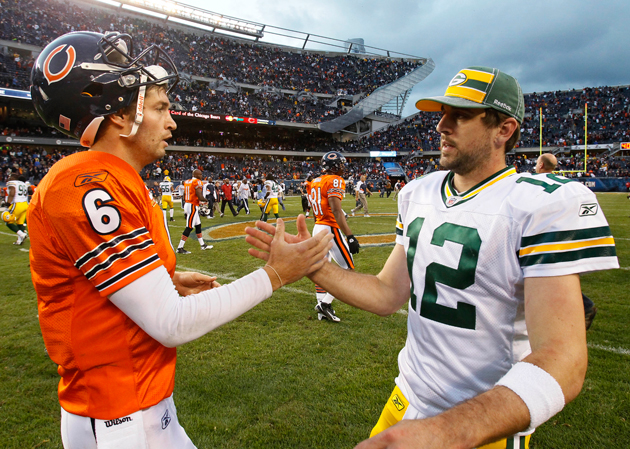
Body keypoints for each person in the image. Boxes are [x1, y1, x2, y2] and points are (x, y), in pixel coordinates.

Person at [246, 66, 619, 448]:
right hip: (405, 398)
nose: (442, 125)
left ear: (504, 130)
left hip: (482, 425)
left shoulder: (541, 202)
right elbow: (386, 294)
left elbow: (563, 360)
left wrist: (443, 432)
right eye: (442, 113)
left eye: (459, 115)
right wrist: (313, 266)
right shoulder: (417, 193)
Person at [28, 30, 333, 449]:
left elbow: (94, 294)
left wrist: (166, 280)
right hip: (119, 419)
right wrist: (277, 273)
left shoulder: (112, 180)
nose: (172, 121)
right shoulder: (84, 184)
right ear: (119, 114)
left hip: (144, 407)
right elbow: (169, 323)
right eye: (160, 107)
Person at [535, 153, 598, 330]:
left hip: (542, 234)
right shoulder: (564, 185)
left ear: (540, 165)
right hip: (560, 233)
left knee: (541, 274)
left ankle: (583, 305)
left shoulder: (532, 184)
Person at [306, 151, 360, 322]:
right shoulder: (335, 180)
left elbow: (317, 208)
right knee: (348, 270)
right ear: (334, 166)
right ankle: (325, 304)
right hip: (330, 228)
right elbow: (336, 210)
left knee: (322, 268)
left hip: (318, 226)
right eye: (341, 164)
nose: (343, 168)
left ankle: (322, 308)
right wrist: (350, 236)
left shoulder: (315, 181)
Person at [176, 169, 212, 253]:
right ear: (196, 175)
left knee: (198, 225)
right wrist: (205, 200)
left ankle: (202, 245)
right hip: (192, 205)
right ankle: (180, 247)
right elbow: (199, 195)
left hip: (188, 204)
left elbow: (185, 194)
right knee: (189, 227)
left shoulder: (187, 181)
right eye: (200, 174)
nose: (201, 176)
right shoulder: (197, 182)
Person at [2, 173, 29, 245]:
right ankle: (19, 241)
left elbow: (12, 193)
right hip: (25, 204)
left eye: (10, 176)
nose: (9, 178)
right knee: (20, 223)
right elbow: (30, 191)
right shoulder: (24, 183)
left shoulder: (12, 182)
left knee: (7, 220)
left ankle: (22, 234)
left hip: (17, 204)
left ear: (13, 177)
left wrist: (7, 204)